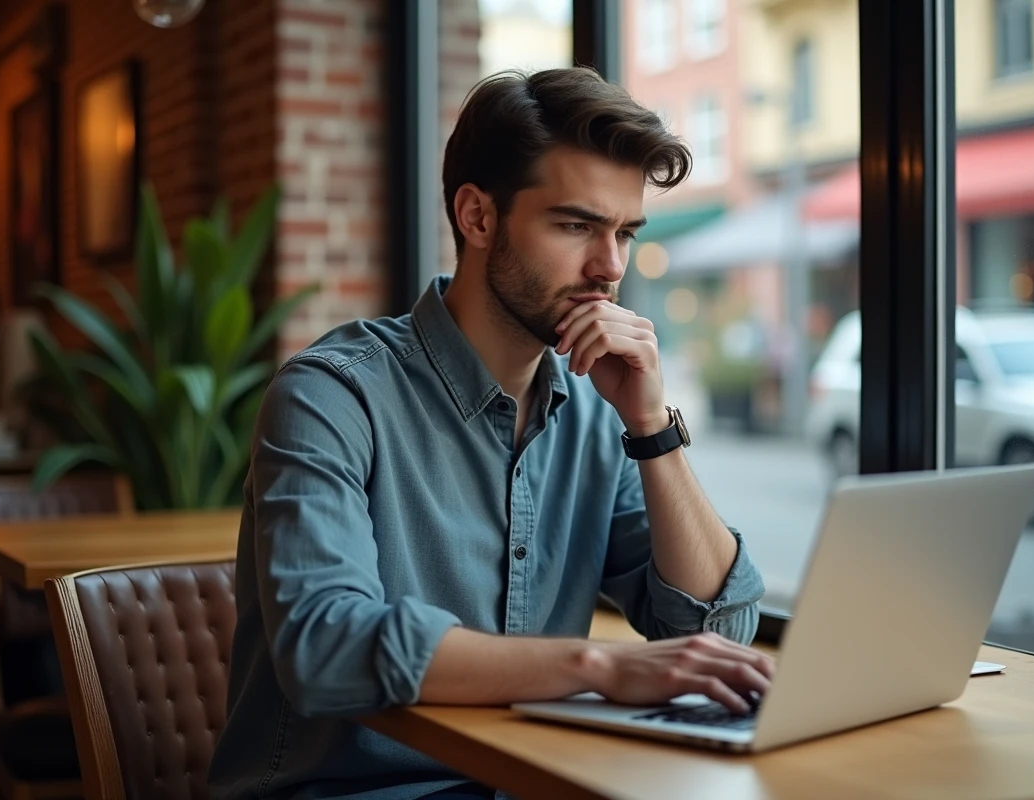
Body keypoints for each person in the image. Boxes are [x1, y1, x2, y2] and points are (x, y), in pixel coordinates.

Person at [209, 68, 769, 800]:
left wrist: (651, 427)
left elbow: (718, 630)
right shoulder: (330, 394)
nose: (610, 268)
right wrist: (596, 666)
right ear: (476, 217)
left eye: (625, 233)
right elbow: (326, 644)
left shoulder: (602, 412)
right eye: (576, 226)